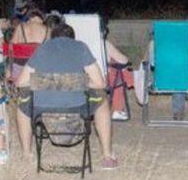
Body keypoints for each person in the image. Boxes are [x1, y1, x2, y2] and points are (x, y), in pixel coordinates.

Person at [15, 18, 119, 170]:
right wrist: (79, 82)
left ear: (52, 37)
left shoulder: (43, 48)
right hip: (77, 107)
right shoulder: (81, 47)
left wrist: (46, 81)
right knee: (102, 101)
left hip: (42, 109)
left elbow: (20, 82)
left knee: (22, 103)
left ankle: (26, 154)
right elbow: (100, 83)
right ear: (73, 38)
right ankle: (107, 156)